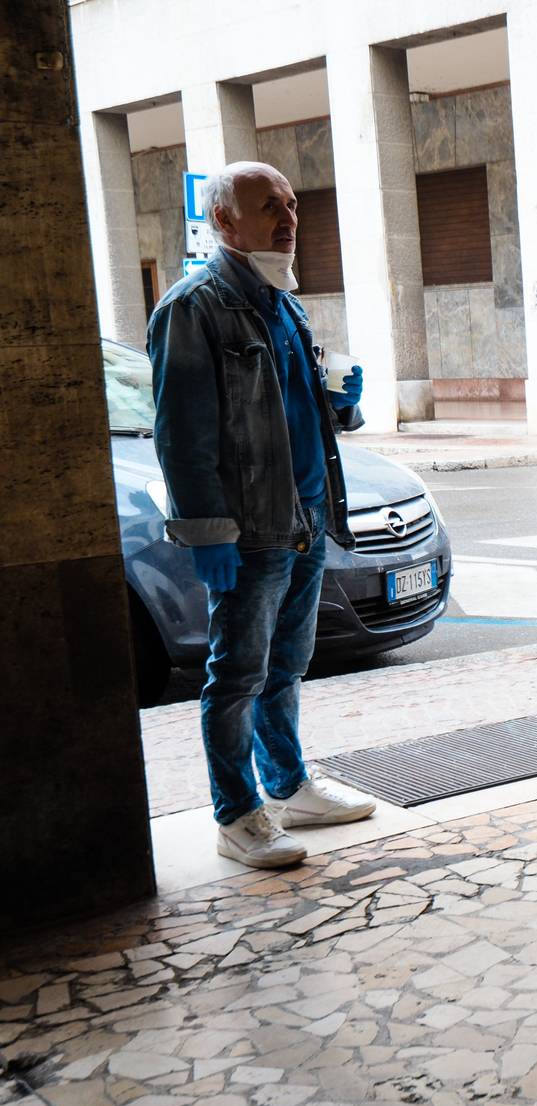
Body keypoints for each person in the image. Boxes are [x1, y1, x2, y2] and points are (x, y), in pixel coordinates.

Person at [149, 161, 377, 867]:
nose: (288, 217)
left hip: (301, 519)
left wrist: (345, 403)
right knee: (237, 674)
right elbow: (181, 436)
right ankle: (237, 813)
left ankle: (288, 786)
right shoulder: (194, 308)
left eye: (291, 203)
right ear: (224, 221)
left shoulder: (287, 301)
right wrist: (208, 534)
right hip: (247, 530)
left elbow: (301, 412)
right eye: (268, 205)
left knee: (287, 665)